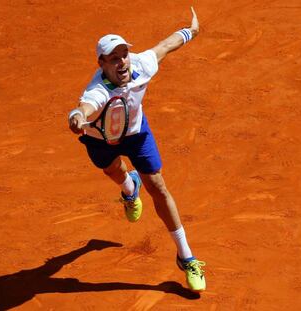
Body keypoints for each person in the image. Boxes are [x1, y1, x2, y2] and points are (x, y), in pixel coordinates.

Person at [68, 7, 205, 292]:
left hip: (136, 133)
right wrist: (77, 119)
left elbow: (166, 46)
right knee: (114, 171)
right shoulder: (97, 92)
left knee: (159, 187)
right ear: (102, 64)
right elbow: (84, 109)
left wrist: (190, 31)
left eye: (124, 55)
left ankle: (186, 255)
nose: (122, 63)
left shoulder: (140, 65)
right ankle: (130, 189)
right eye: (114, 58)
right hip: (99, 139)